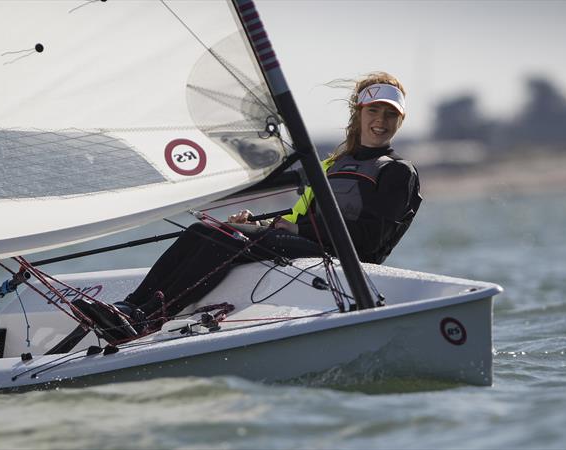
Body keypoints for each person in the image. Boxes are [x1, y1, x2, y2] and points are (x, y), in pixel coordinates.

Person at [104, 71, 421, 340]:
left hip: (349, 260)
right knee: (205, 230)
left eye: (390, 114)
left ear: (400, 120)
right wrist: (261, 225)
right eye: (373, 111)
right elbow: (300, 217)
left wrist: (294, 229)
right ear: (359, 113)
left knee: (229, 240)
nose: (381, 121)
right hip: (309, 245)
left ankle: (150, 318)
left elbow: (369, 240)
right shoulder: (332, 166)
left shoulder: (395, 171)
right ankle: (131, 308)